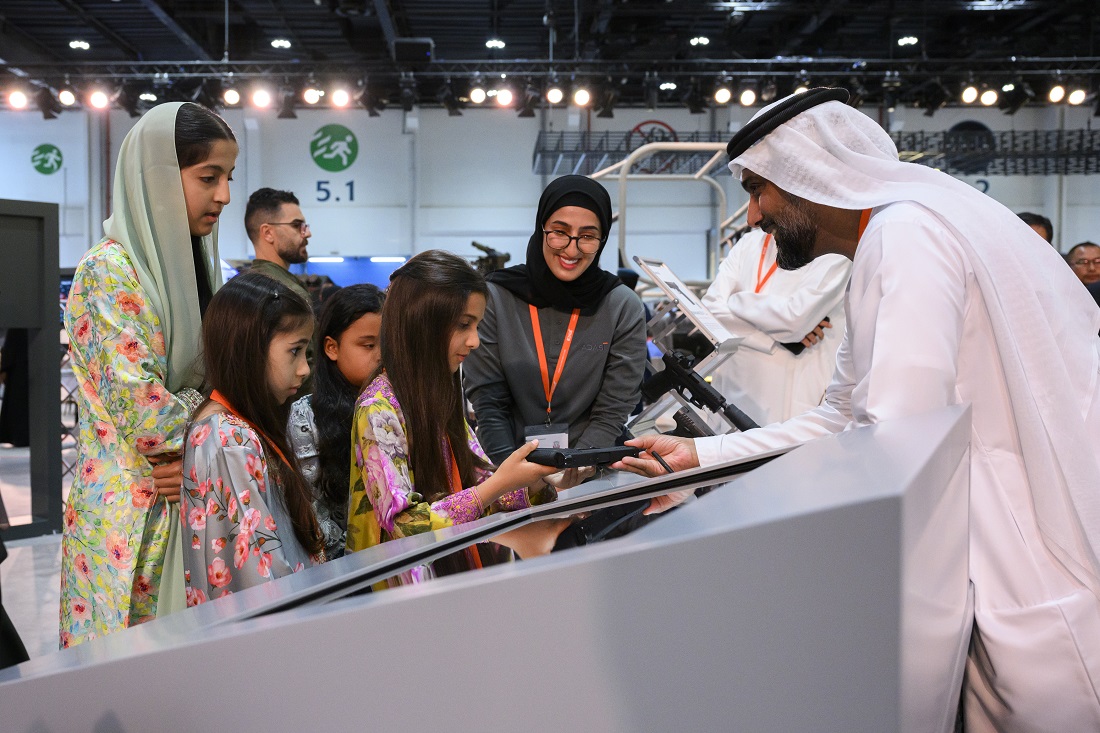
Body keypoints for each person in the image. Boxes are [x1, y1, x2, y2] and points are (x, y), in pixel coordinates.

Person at [618, 88, 1100, 731]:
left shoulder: (906, 235)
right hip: (981, 553)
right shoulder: (891, 237)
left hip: (1023, 561)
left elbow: (894, 439)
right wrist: (700, 454)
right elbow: (840, 415)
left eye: (758, 190)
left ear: (806, 177)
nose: (753, 216)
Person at [60, 102, 236, 648]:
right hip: (134, 515)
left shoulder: (197, 267)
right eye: (208, 177)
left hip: (189, 494)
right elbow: (148, 414)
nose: (224, 196)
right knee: (130, 666)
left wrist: (210, 437)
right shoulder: (108, 271)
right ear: (156, 177)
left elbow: (219, 385)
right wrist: (226, 430)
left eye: (229, 178)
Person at [346, 250, 559, 585]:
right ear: (422, 322)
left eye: (476, 325)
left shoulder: (439, 398)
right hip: (400, 592)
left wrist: (535, 481)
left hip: (450, 578)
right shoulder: (378, 408)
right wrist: (498, 485)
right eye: (463, 325)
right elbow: (404, 525)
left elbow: (481, 482)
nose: (474, 341)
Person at [464, 175, 648, 466]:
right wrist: (512, 477)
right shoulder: (495, 297)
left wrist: (575, 471)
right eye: (560, 232)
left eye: (587, 236)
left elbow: (613, 409)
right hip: (507, 464)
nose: (572, 250)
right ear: (541, 228)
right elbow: (489, 402)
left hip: (590, 467)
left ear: (602, 240)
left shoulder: (621, 306)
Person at [181, 272, 323, 605]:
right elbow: (257, 572)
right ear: (249, 350)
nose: (304, 369)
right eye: (294, 351)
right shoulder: (230, 439)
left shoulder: (238, 428)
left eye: (306, 353)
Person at [700, 227, 850, 427]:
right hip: (731, 384)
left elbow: (793, 319)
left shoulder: (831, 251)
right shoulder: (748, 242)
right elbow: (709, 310)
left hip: (788, 392)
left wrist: (737, 300)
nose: (751, 218)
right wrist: (775, 337)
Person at [288, 283, 384, 561]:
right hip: (340, 566)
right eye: (368, 345)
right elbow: (312, 513)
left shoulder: (394, 407)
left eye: (388, 344)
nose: (381, 355)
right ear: (332, 347)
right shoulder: (305, 416)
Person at [244, 188, 314, 389]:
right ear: (268, 233)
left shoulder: (246, 287)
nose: (307, 233)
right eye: (296, 225)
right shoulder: (286, 293)